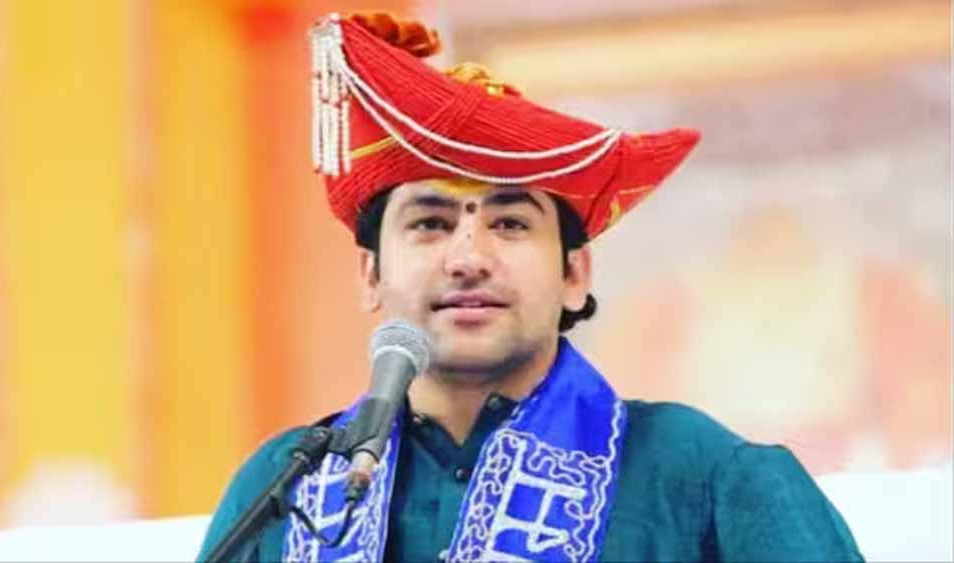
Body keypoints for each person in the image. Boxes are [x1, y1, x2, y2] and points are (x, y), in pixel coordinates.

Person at [198, 12, 863, 562]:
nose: (468, 257)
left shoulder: (703, 474)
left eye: (510, 223)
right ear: (370, 275)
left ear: (575, 274)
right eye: (430, 224)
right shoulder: (285, 488)